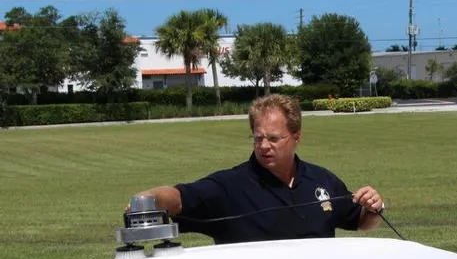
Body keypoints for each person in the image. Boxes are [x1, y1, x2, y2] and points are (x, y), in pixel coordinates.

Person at [128, 94, 385, 245]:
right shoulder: (229, 186)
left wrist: (372, 209)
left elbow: (360, 221)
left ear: (296, 137)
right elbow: (181, 197)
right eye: (257, 137)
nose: (264, 146)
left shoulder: (322, 181)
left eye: (273, 139)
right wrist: (148, 200)